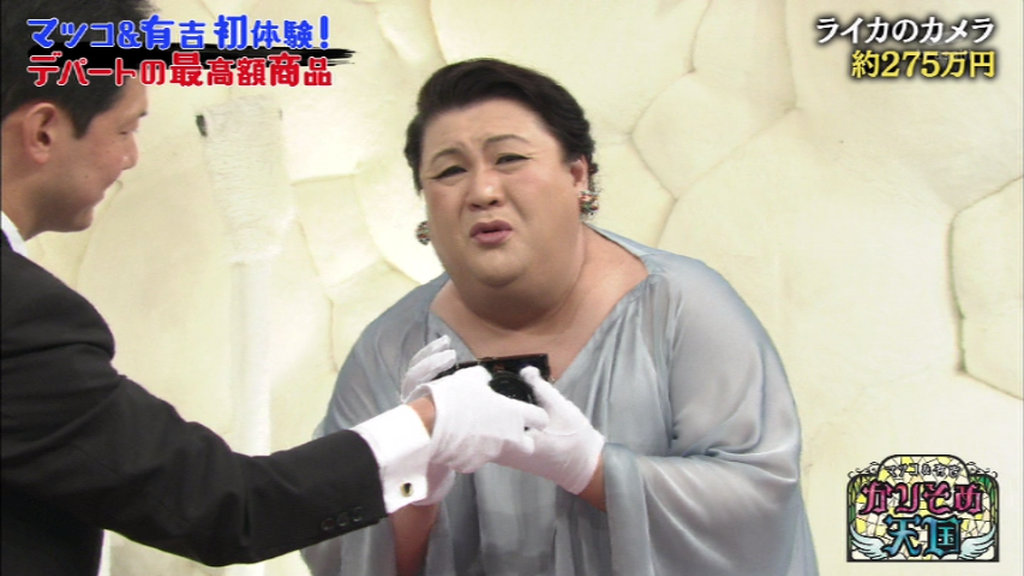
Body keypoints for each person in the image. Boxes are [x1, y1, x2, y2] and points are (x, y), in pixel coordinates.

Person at [1, 3, 549, 575]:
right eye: (125, 129)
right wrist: (427, 424)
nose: (131, 157)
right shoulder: (24, 317)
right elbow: (227, 506)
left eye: (511, 158)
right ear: (43, 131)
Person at [303, 58, 819, 576]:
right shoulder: (391, 349)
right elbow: (336, 551)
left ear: (577, 176)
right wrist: (415, 490)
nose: (482, 192)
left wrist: (594, 470)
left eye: (509, 159)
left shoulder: (683, 307)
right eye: (450, 171)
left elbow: (760, 500)